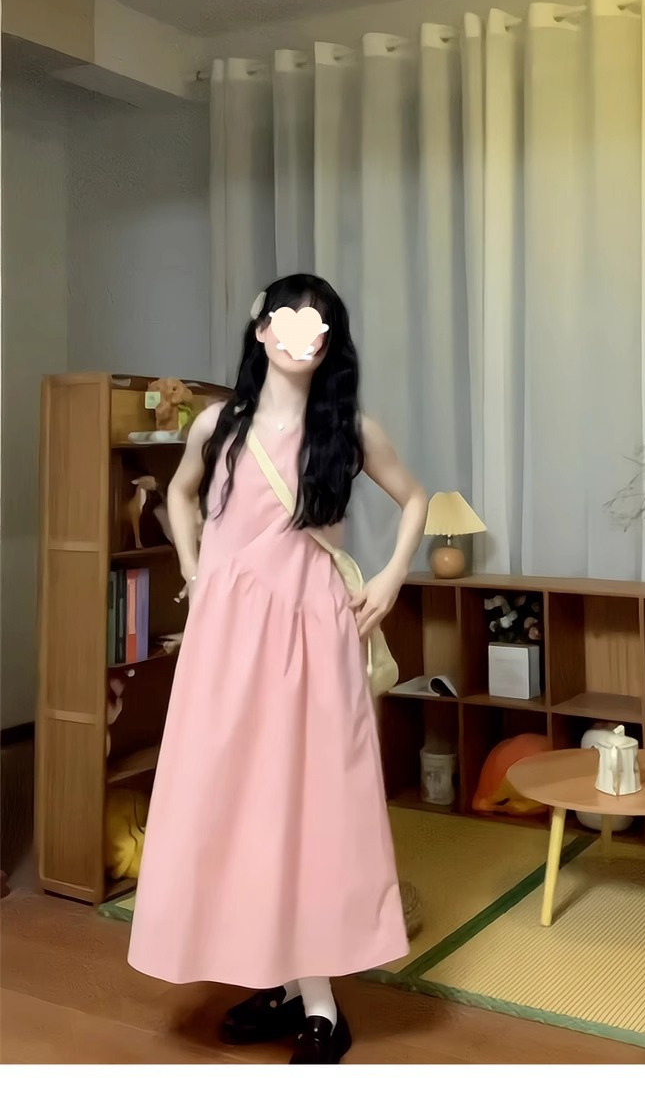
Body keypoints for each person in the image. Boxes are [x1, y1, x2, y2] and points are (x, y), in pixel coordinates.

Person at [128, 273, 428, 1064]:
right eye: (290, 319)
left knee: (311, 806)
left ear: (328, 343)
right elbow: (179, 496)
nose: (302, 334)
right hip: (228, 640)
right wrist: (195, 570)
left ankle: (319, 998)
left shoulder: (347, 429)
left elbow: (416, 498)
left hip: (312, 634)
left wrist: (390, 579)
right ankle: (285, 981)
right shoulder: (217, 425)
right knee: (236, 802)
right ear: (262, 331)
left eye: (318, 324)